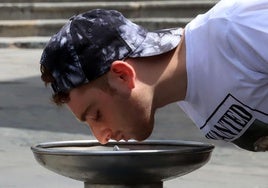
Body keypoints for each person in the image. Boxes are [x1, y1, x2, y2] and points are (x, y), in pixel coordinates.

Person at [39, 0, 268, 152]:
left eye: (97, 115)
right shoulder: (190, 96)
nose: (101, 137)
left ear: (121, 75)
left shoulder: (237, 29)